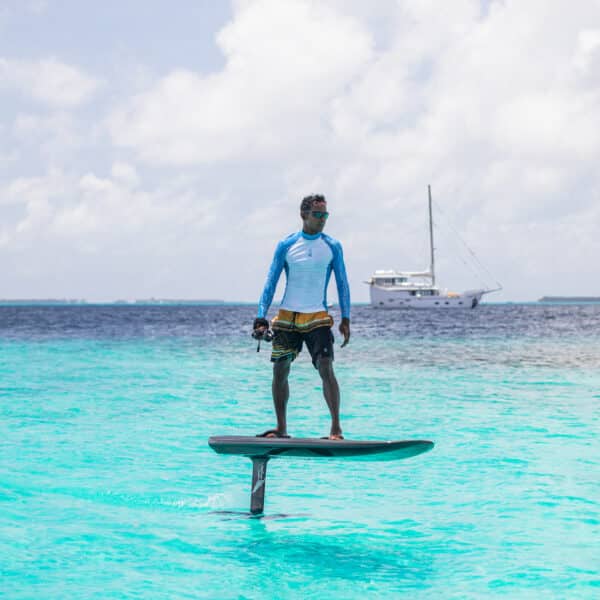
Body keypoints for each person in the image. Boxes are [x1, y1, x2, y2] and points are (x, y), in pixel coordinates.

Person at [253, 194, 351, 440]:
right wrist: (261, 316)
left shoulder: (332, 246)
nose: (323, 219)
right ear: (304, 215)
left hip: (317, 315)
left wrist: (346, 318)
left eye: (325, 215)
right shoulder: (286, 245)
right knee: (280, 369)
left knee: (326, 367)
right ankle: (281, 428)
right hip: (288, 316)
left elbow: (342, 283)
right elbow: (271, 280)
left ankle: (336, 429)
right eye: (318, 215)